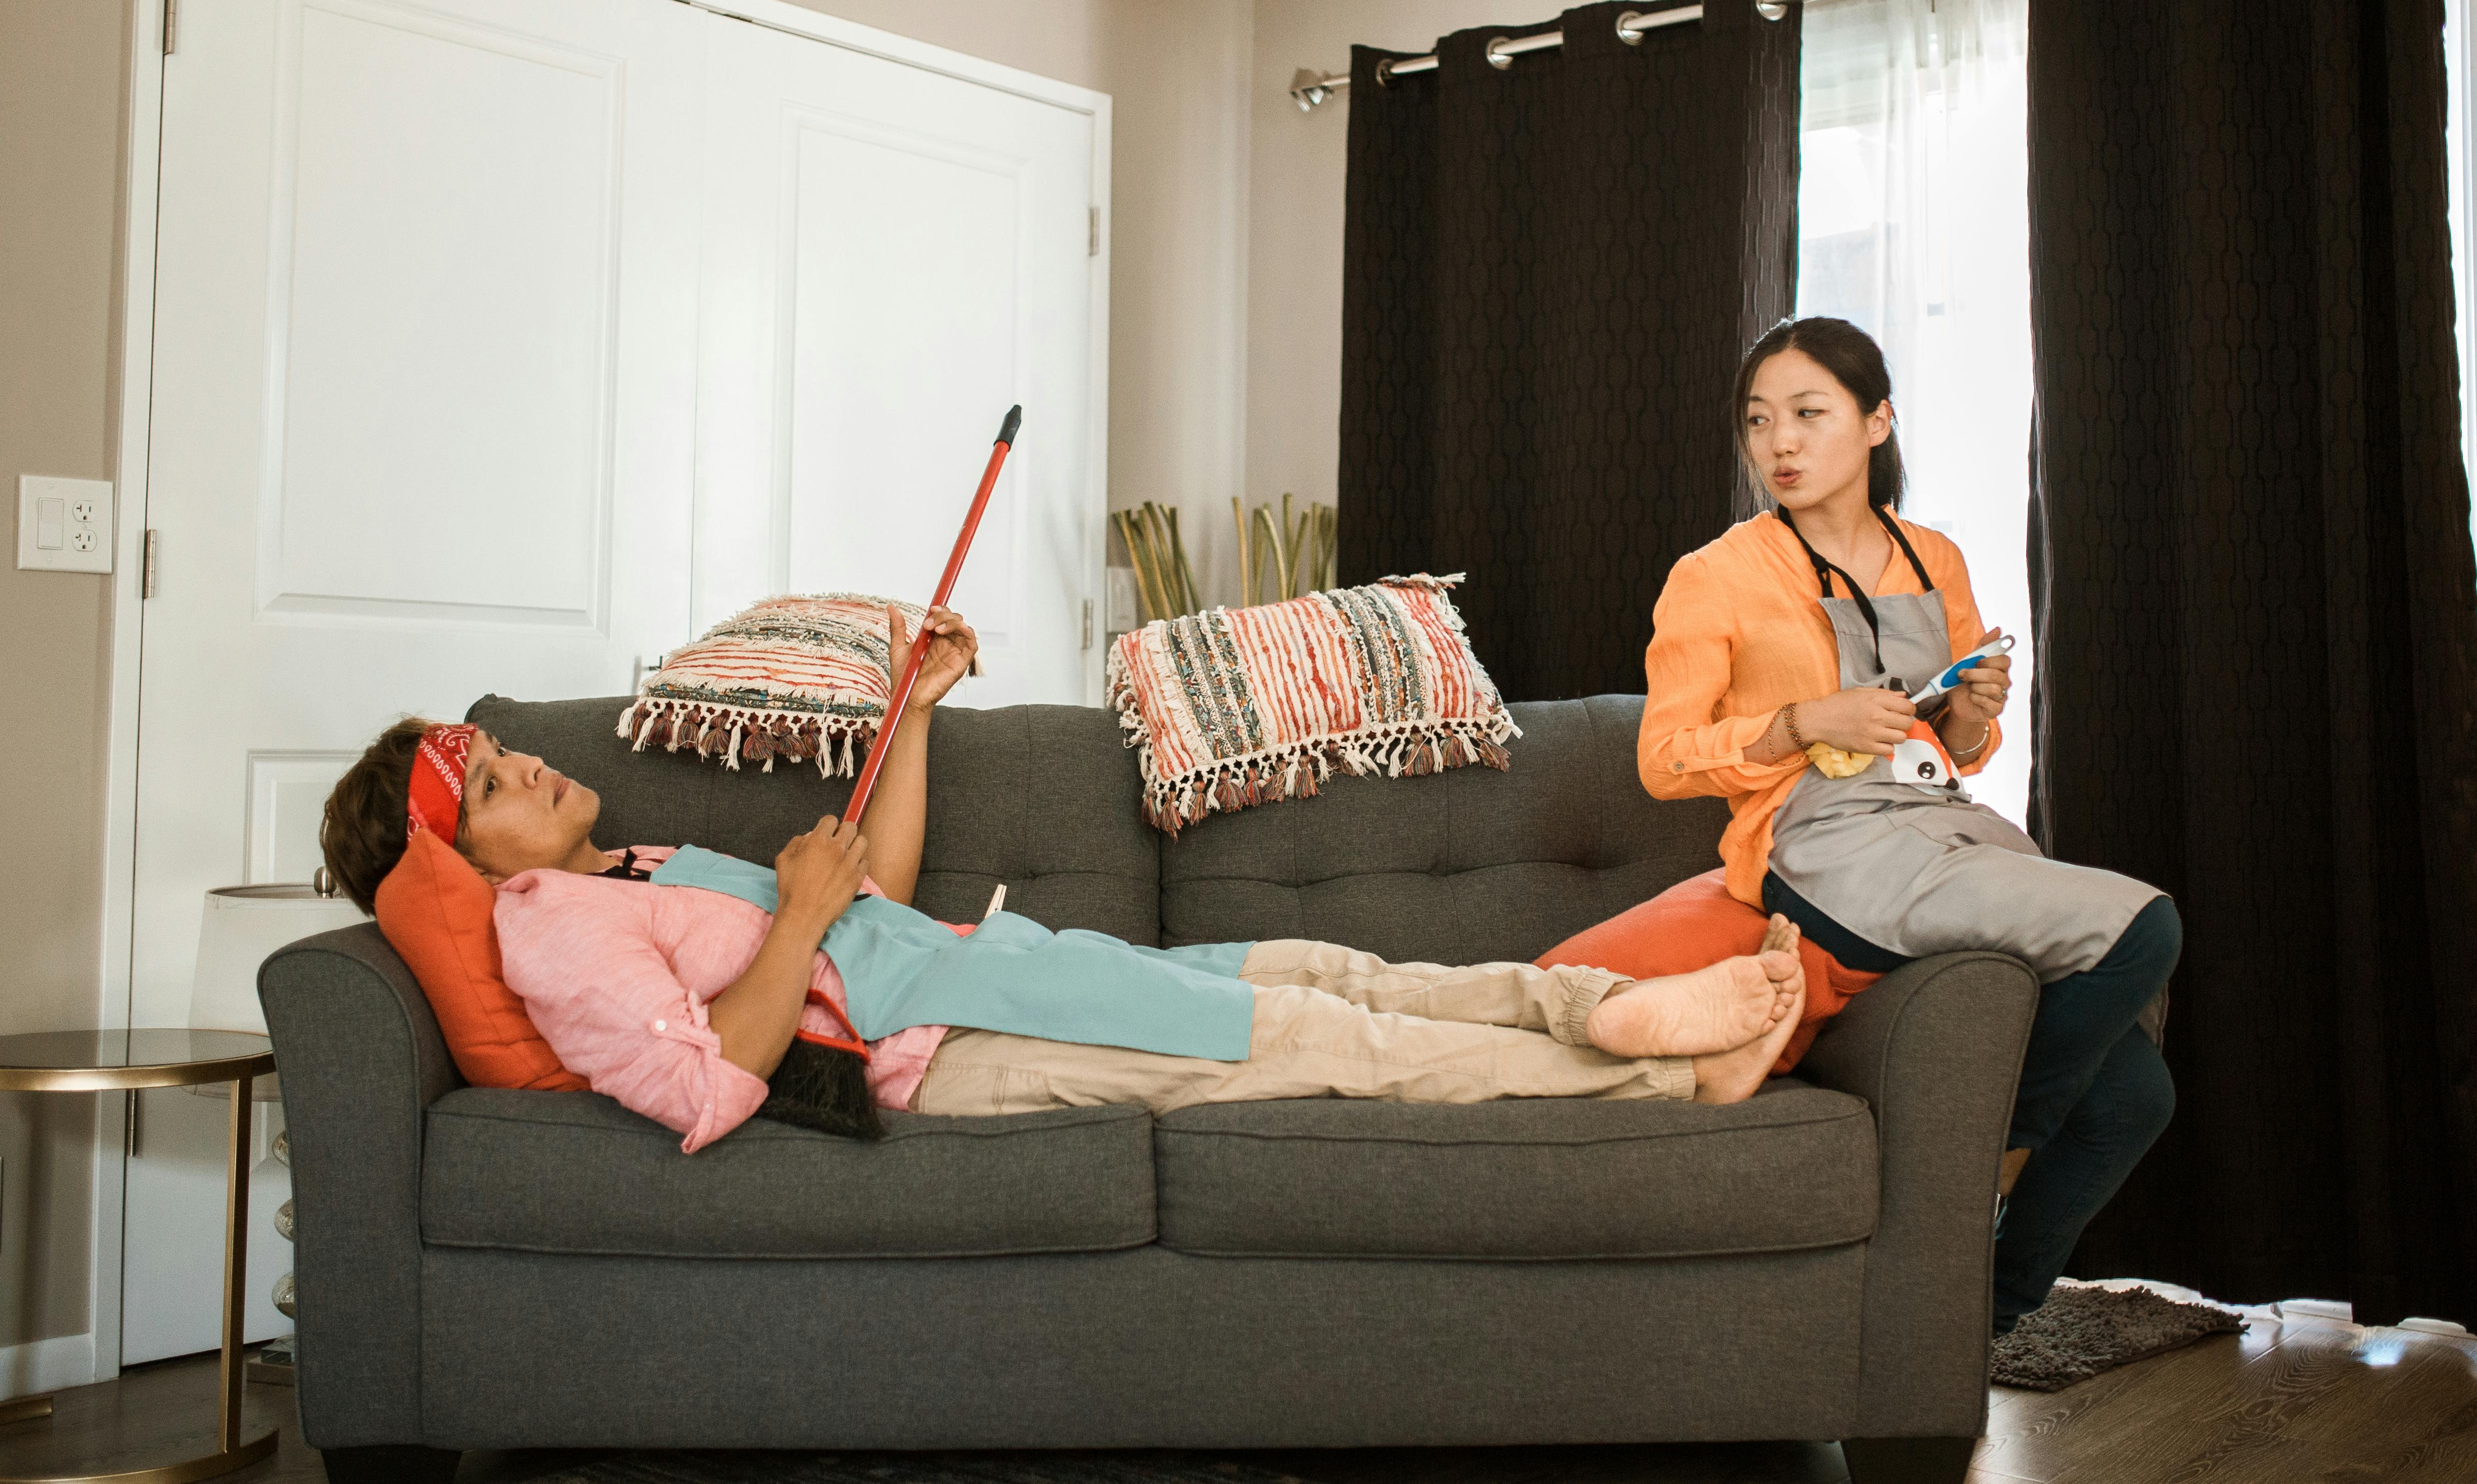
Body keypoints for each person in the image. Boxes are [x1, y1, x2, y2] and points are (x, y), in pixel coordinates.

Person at [320, 608, 1811, 1156]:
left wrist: (913, 706)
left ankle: (1594, 1004)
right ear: (454, 852)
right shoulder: (555, 928)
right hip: (958, 1050)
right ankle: (1660, 1082)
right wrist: (812, 913)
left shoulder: (638, 859)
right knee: (1318, 1046)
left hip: (981, 969)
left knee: (1326, 969)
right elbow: (711, 1089)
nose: (524, 765)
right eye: (491, 781)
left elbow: (878, 887)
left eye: (505, 750)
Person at [1638, 315, 2181, 1334]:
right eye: (1759, 422)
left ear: (1877, 421)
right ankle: (1975, 1169)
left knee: (2133, 1099)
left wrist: (1973, 713)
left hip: (1932, 821)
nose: (1779, 444)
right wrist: (1802, 720)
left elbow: (1958, 746)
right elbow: (1662, 759)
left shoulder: (1929, 554)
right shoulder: (1715, 575)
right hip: (1821, 843)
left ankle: (1972, 1315)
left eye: (1808, 414)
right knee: (2145, 926)